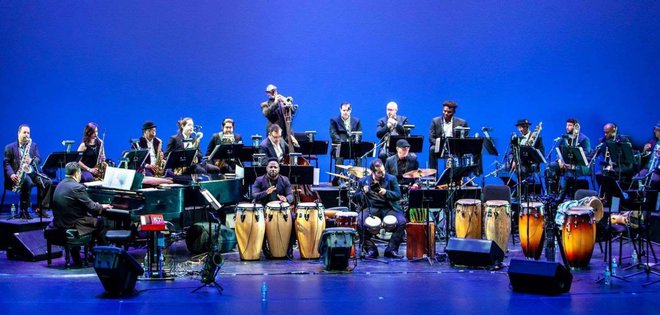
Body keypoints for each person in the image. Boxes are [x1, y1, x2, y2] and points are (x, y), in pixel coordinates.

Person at [51, 162, 111, 265]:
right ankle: (102, 257)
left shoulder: (60, 184)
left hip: (59, 222)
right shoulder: (77, 187)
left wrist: (93, 205)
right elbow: (92, 207)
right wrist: (101, 206)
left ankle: (79, 255)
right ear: (77, 173)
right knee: (101, 223)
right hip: (72, 223)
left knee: (90, 219)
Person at [353, 159, 406, 258]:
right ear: (372, 172)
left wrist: (386, 192)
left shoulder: (391, 179)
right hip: (371, 208)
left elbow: (398, 195)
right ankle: (371, 249)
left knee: (402, 221)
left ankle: (391, 249)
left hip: (388, 208)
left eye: (383, 171)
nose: (382, 174)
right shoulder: (364, 181)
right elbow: (355, 198)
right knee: (360, 222)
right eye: (379, 172)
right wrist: (363, 193)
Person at [4, 124, 52, 218]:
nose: (27, 135)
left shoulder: (33, 145)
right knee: (28, 182)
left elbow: (39, 158)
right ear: (18, 133)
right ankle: (24, 210)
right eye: (24, 132)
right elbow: (6, 163)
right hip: (18, 174)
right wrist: (12, 174)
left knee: (48, 182)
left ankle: (42, 209)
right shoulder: (9, 147)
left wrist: (31, 160)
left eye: (28, 133)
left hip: (32, 172)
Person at [252, 158, 295, 258]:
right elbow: (253, 195)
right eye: (270, 167)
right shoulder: (259, 180)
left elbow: (291, 196)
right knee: (259, 221)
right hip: (264, 209)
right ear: (266, 168)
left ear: (279, 169)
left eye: (275, 167)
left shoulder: (284, 180)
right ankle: (264, 248)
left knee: (293, 218)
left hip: (281, 210)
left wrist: (286, 199)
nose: (273, 169)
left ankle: (289, 248)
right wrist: (265, 192)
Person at [548, 118, 591, 200]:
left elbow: (586, 154)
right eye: (566, 125)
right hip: (565, 163)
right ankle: (553, 194)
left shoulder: (584, 139)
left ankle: (561, 198)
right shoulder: (564, 138)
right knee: (549, 168)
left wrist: (573, 163)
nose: (567, 127)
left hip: (579, 165)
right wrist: (560, 160)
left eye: (570, 125)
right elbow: (559, 151)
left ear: (575, 127)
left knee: (569, 173)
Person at [428, 100, 468, 170]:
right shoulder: (435, 121)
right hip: (440, 146)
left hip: (455, 146)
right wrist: (440, 144)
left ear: (453, 112)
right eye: (444, 111)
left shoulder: (462, 123)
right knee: (432, 149)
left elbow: (465, 138)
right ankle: (432, 175)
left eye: (449, 112)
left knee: (466, 150)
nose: (446, 113)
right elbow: (431, 138)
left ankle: (459, 175)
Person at [329, 102, 362, 184]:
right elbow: (333, 134)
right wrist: (343, 143)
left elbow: (359, 135)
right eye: (343, 110)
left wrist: (354, 142)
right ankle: (339, 178)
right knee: (339, 154)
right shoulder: (334, 121)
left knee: (359, 156)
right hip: (339, 147)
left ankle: (358, 179)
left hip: (352, 147)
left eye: (347, 110)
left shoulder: (356, 121)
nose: (345, 112)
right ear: (340, 110)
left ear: (350, 110)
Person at [632, 121, 660, 190]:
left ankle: (649, 197)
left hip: (658, 170)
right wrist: (644, 150)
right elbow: (644, 156)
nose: (655, 131)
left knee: (653, 181)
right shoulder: (653, 141)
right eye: (655, 129)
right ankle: (640, 194)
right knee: (637, 178)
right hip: (648, 168)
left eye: (657, 130)